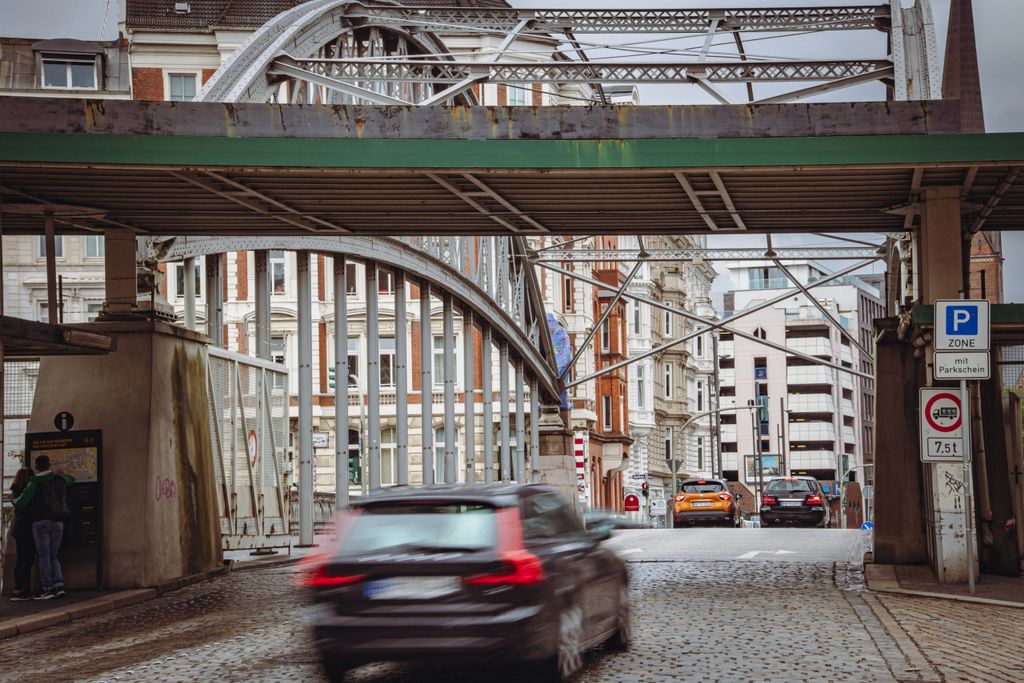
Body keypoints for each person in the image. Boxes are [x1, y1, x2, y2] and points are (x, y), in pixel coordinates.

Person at [14, 456, 74, 600]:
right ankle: (59, 585)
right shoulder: (60, 478)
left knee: (44, 556)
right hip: (59, 522)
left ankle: (47, 588)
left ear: (36, 466)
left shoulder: (34, 482)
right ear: (49, 464)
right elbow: (71, 480)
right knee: (54, 555)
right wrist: (61, 473)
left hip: (40, 523)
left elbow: (21, 503)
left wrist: (14, 499)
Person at [9, 467, 36, 600]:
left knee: (21, 559)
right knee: (28, 558)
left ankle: (18, 588)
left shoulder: (15, 490)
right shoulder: (29, 491)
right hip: (27, 528)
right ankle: (21, 588)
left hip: (18, 528)